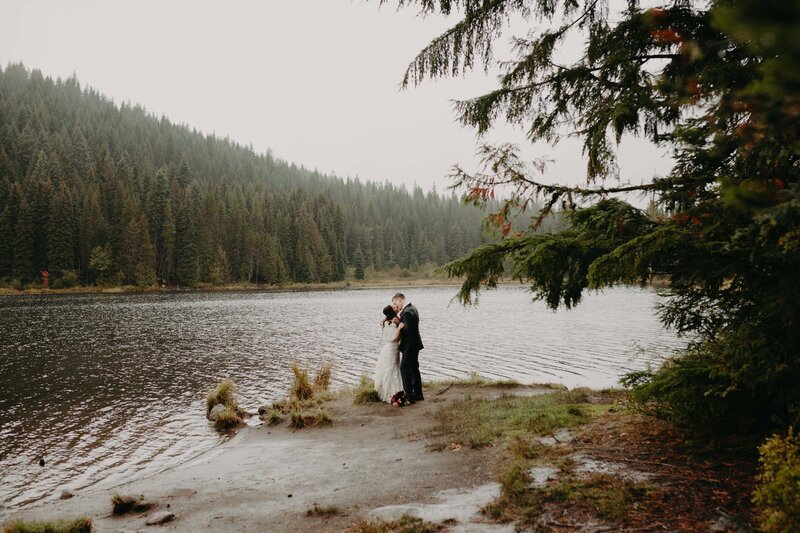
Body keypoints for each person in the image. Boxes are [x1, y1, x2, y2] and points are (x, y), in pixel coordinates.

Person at [392, 292, 424, 403]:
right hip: (415, 344)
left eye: (396, 303)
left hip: (410, 345)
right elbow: (410, 327)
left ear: (400, 300)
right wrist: (400, 322)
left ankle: (409, 396)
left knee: (404, 369)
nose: (396, 306)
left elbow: (408, 330)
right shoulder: (412, 308)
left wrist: (398, 326)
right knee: (414, 368)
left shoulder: (407, 313)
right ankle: (418, 394)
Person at [374, 305, 405, 403]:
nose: (396, 308)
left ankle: (397, 391)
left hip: (392, 348)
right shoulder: (389, 324)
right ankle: (390, 394)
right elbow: (395, 338)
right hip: (391, 349)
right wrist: (399, 328)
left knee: (394, 369)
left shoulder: (388, 322)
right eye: (394, 307)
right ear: (392, 311)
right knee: (391, 370)